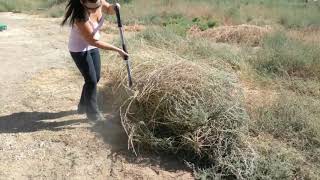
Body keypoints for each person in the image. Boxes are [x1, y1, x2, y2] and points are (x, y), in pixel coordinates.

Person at [61, 0, 128, 121]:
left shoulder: (98, 1)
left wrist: (115, 7)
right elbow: (92, 40)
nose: (94, 10)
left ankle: (82, 105)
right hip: (79, 49)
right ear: (83, 2)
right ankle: (93, 115)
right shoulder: (79, 16)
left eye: (96, 7)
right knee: (91, 80)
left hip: (92, 47)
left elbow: (108, 9)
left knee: (95, 78)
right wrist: (118, 50)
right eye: (91, 8)